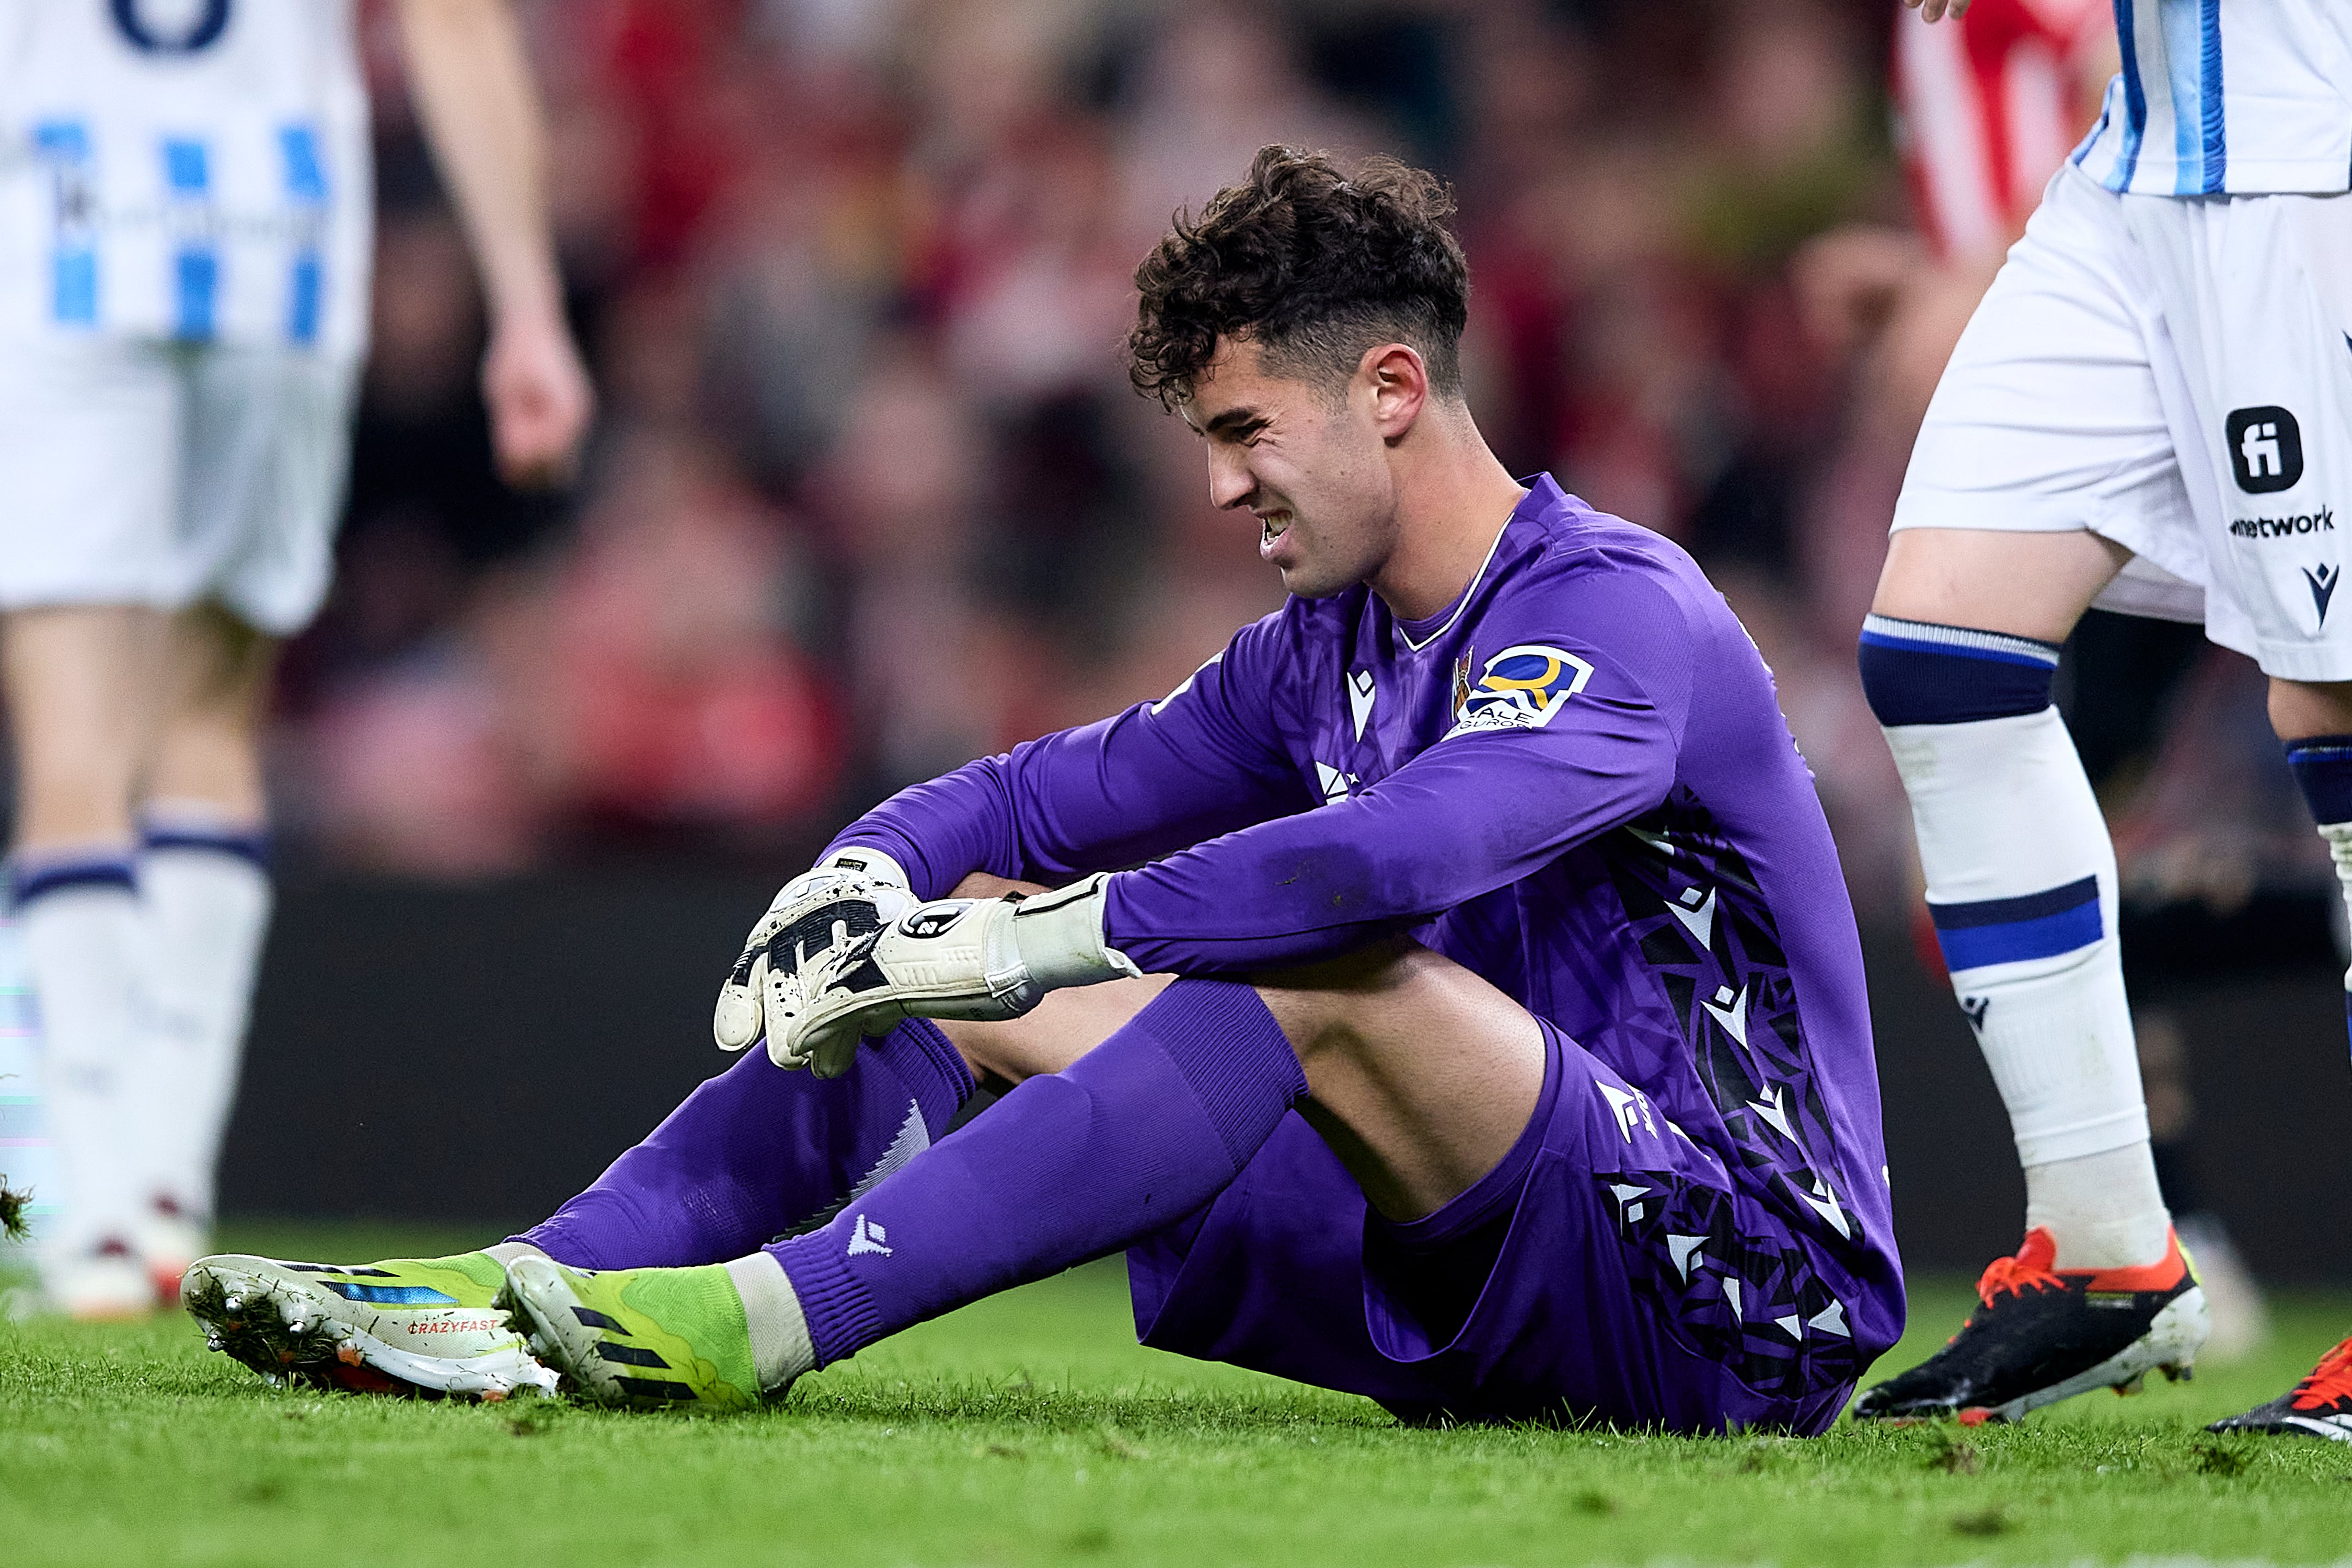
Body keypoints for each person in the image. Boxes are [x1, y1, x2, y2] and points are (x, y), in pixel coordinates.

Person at [182, 147, 1902, 1433]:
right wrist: (864, 881)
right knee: (962, 934)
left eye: (1245, 431)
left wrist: (1062, 945)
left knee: (1310, 965)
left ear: (1391, 393)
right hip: (1469, 1242)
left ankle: (759, 1324)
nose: (1223, 486)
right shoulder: (1323, 647)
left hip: (1736, 1284)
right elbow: (1028, 799)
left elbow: (1414, 847)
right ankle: (523, 1288)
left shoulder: (1618, 605)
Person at [0, 0, 592, 1318]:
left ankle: (92, 1209)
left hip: (64, 234)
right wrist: (529, 309)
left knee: (75, 739)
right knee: (211, 719)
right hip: (275, 248)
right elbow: (452, 24)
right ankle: (160, 1185)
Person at [1853, 0, 2351, 1440]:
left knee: (2331, 693)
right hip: (2128, 173)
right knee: (1941, 649)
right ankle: (2104, 1252)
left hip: (2293, 157)